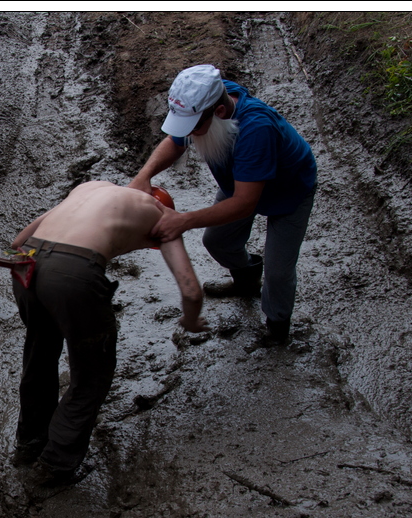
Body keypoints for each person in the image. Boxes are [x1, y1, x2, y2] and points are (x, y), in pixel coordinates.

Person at [10, 181, 206, 483]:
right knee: (92, 372)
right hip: (72, 272)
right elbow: (191, 292)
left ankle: (29, 444)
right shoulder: (164, 217)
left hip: (26, 261)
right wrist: (191, 322)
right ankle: (54, 465)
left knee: (40, 354)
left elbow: (18, 241)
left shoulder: (91, 188)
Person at [128, 64, 317, 344]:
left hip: (289, 190)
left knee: (278, 272)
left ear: (218, 112)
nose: (190, 134)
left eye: (194, 128)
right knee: (217, 242)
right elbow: (176, 141)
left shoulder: (256, 129)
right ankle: (247, 280)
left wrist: (184, 220)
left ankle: (277, 328)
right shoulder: (208, 98)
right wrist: (144, 176)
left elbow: (244, 203)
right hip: (241, 182)